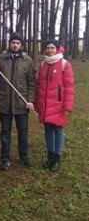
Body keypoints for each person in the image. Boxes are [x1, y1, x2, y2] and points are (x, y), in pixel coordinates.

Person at [0, 32, 36, 171]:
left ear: (21, 45)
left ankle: (24, 156)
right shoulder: (0, 58)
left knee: (23, 131)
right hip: (5, 103)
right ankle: (5, 158)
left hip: (22, 103)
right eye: (13, 42)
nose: (15, 45)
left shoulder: (28, 61)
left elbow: (32, 83)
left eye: (17, 43)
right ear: (10, 44)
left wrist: (30, 101)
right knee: (5, 132)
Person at [35, 39, 74, 172]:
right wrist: (36, 103)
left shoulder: (64, 64)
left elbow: (69, 86)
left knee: (58, 130)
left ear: (57, 49)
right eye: (48, 48)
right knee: (48, 130)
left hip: (58, 104)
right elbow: (39, 85)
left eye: (52, 48)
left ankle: (57, 158)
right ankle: (50, 156)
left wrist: (67, 106)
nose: (50, 50)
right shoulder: (43, 64)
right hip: (45, 104)